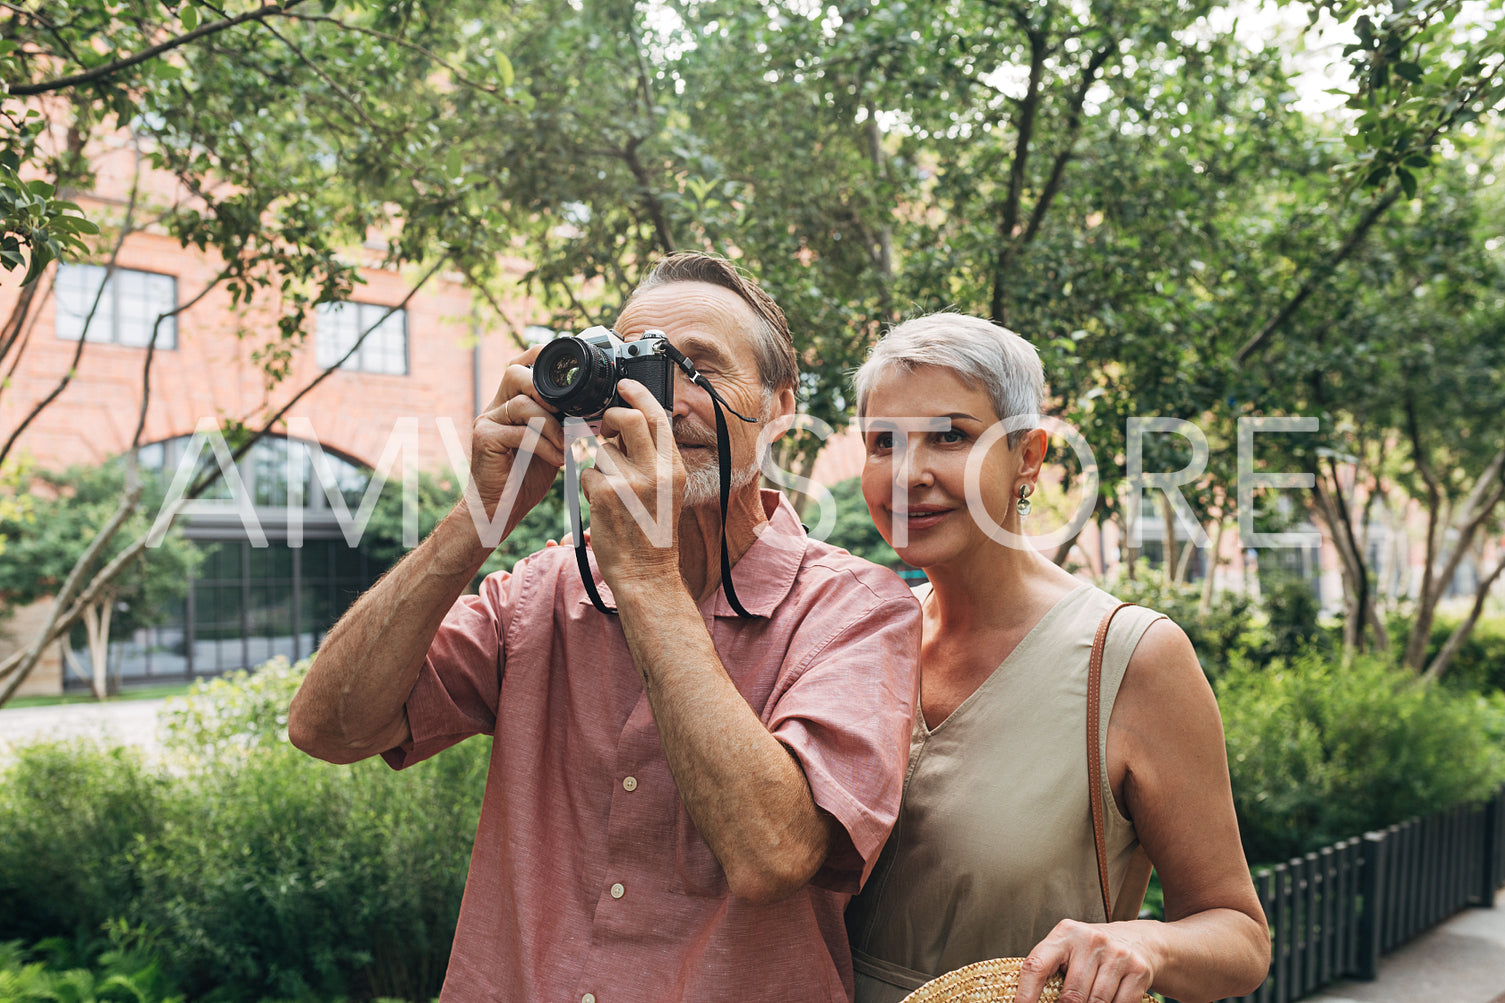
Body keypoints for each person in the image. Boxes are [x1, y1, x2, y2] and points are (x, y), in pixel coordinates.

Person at [288, 252, 921, 1002]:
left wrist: (647, 577)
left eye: (699, 367)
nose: (665, 401)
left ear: (780, 406)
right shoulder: (543, 590)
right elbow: (328, 728)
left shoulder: (857, 608)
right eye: (637, 368)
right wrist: (480, 515)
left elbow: (772, 854)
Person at [843, 314, 1270, 1003]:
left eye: (950, 436)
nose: (908, 474)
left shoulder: (1130, 657)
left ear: (1028, 456)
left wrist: (1145, 941)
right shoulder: (861, 632)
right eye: (881, 442)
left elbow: (1241, 937)